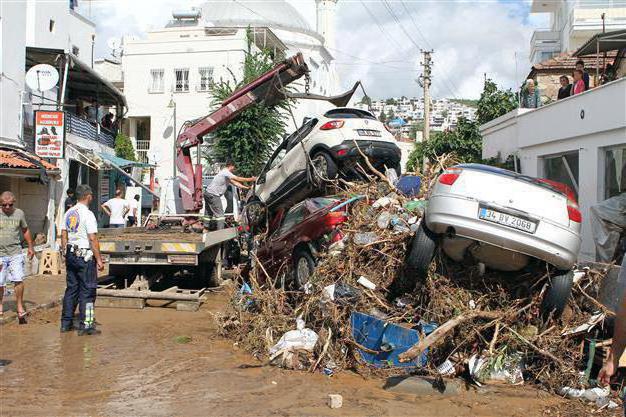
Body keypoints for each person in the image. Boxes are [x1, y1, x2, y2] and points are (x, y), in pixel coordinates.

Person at [60, 185, 104, 335]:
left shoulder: (69, 212)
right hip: (84, 256)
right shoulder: (88, 214)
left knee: (71, 289)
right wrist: (99, 259)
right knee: (89, 291)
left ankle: (66, 324)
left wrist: (64, 253)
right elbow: (92, 238)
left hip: (71, 254)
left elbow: (63, 235)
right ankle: (87, 325)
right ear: (88, 196)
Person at [0, 191, 35, 323]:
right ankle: (0, 305)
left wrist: (31, 247)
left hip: (15, 252)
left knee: (18, 279)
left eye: (9, 205)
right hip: (0, 254)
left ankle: (19, 305)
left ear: (13, 203)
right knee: (0, 282)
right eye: (4, 205)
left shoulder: (19, 213)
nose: (7, 207)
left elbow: (25, 230)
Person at [204, 161, 256, 229]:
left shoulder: (224, 174)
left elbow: (235, 183)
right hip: (214, 195)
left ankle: (205, 228)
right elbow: (237, 178)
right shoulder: (226, 172)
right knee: (220, 215)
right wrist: (251, 179)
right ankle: (220, 232)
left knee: (208, 213)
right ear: (231, 165)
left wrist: (247, 188)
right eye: (234, 167)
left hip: (207, 193)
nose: (234, 169)